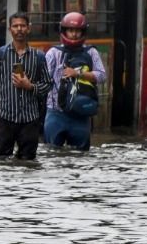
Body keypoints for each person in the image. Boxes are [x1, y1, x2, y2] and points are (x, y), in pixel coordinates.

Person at [0, 12, 52, 160]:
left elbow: (48, 85)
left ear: (28, 28)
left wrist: (30, 86)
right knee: (0, 159)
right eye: (15, 26)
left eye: (23, 25)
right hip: (4, 117)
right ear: (10, 29)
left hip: (30, 119)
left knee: (28, 161)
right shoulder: (0, 55)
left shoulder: (38, 57)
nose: (19, 29)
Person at [44, 12, 107, 151]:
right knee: (51, 153)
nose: (74, 34)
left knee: (81, 155)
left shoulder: (91, 52)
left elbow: (102, 76)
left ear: (83, 32)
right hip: (56, 113)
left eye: (78, 31)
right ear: (63, 31)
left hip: (81, 115)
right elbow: (44, 79)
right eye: (70, 30)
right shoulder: (53, 53)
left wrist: (78, 74)